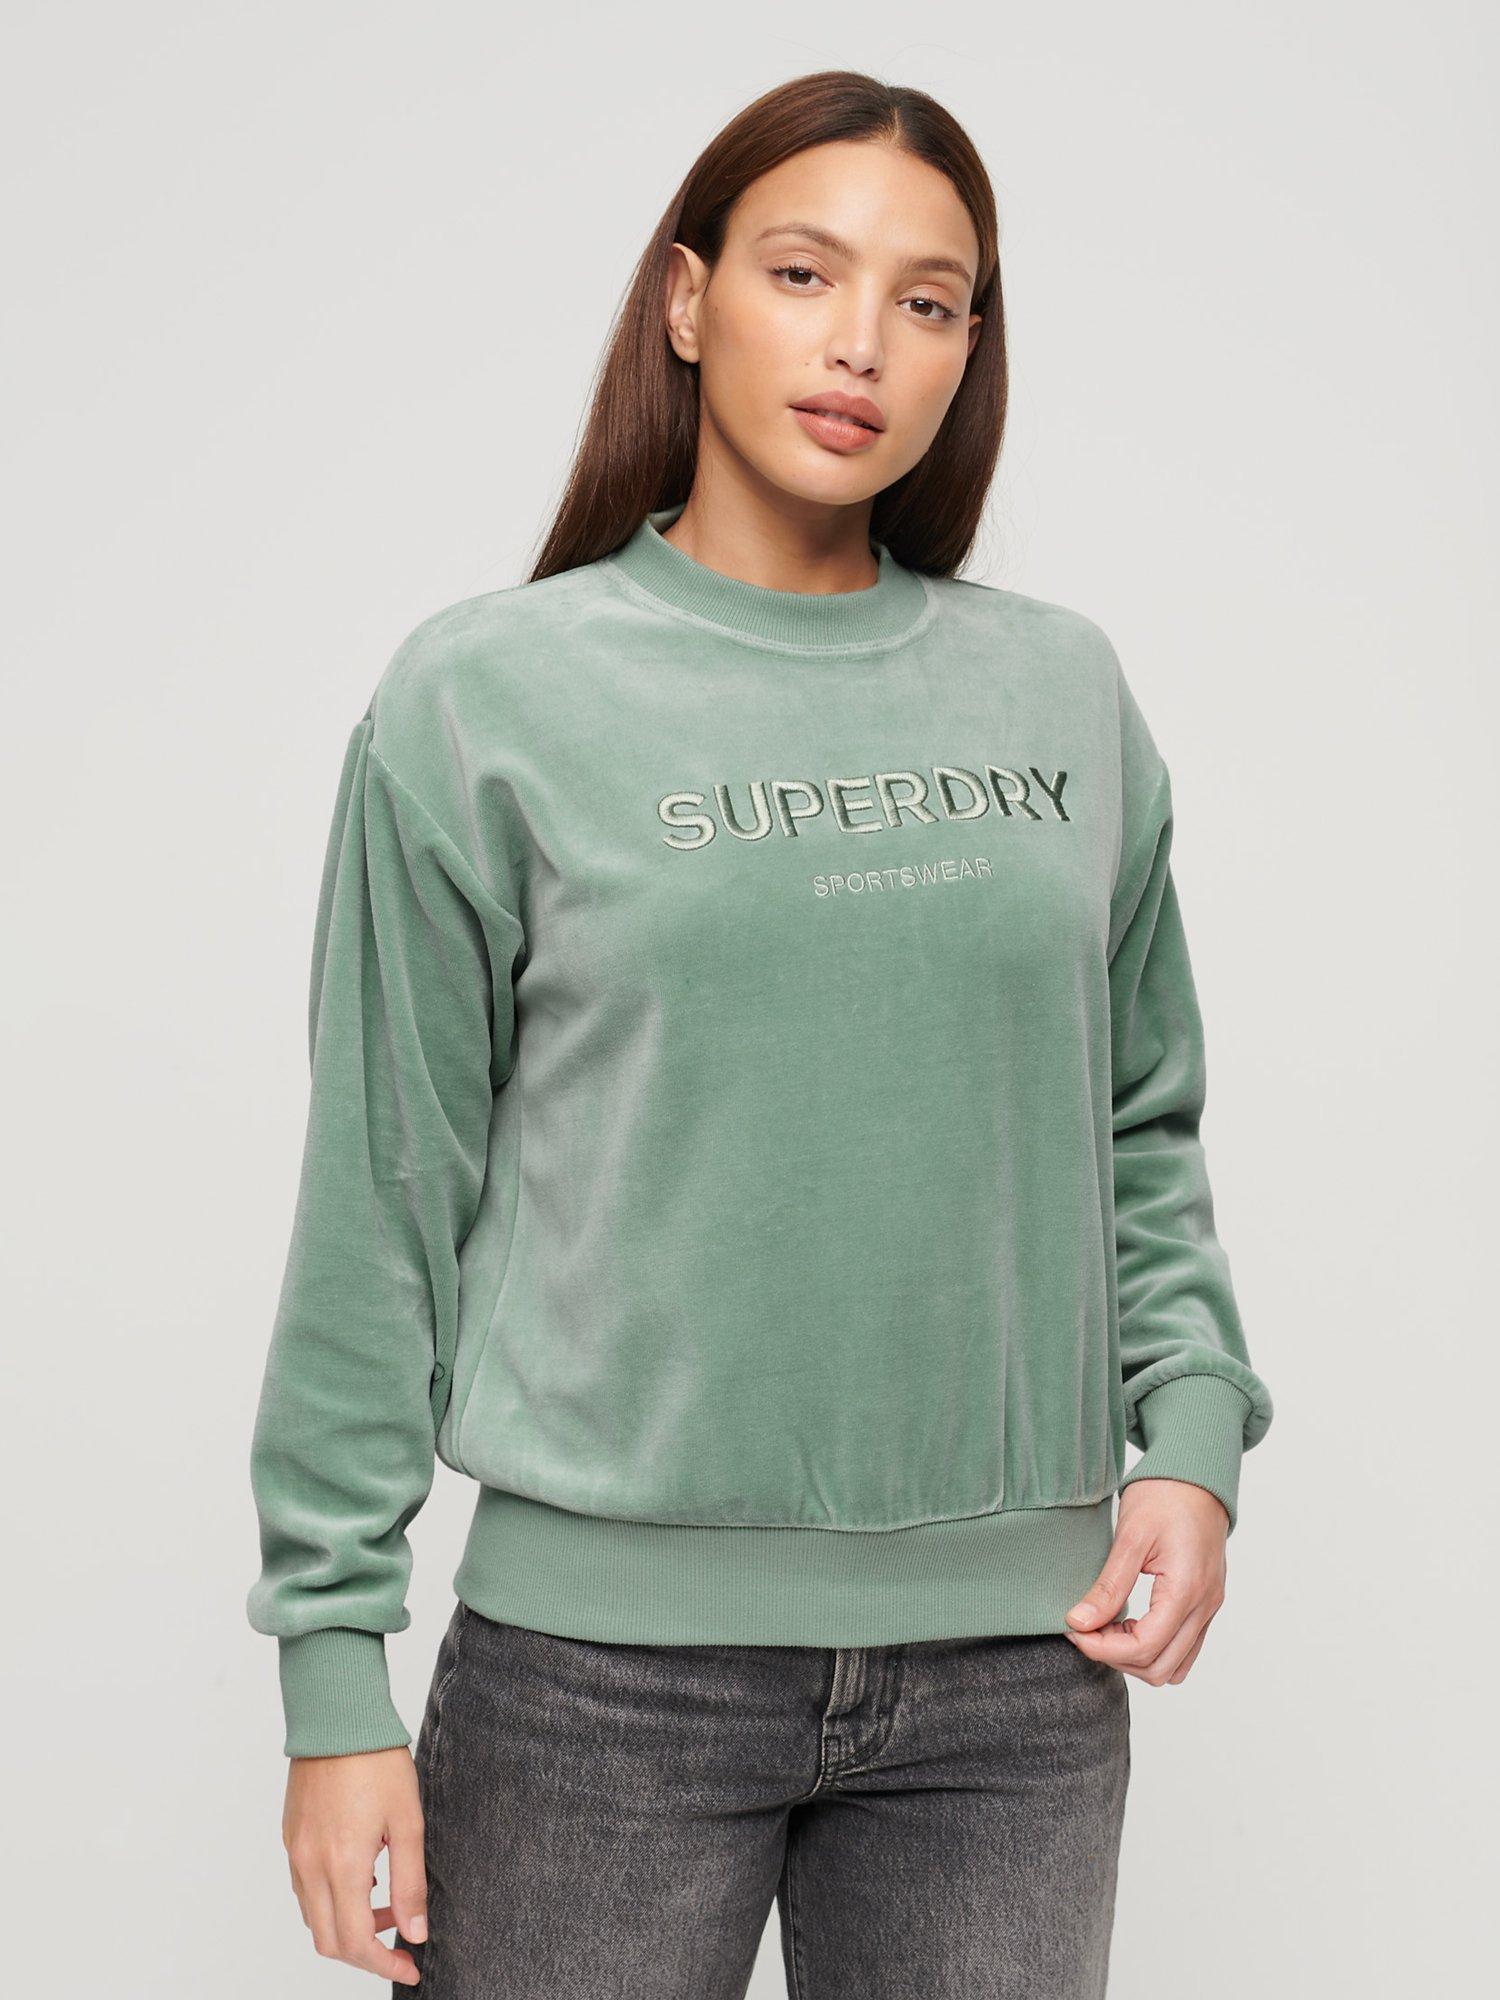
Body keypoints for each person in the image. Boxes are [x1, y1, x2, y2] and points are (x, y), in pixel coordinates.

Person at [245, 68, 1274, 1999]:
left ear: (970, 349)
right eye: (805, 272)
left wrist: (1194, 1441)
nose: (863, 341)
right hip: (599, 1685)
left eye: (929, 299)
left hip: (1017, 1685)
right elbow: (383, 1201)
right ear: (688, 298)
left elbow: (1139, 1120)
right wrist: (331, 1673)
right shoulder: (487, 699)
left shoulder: (1061, 692)